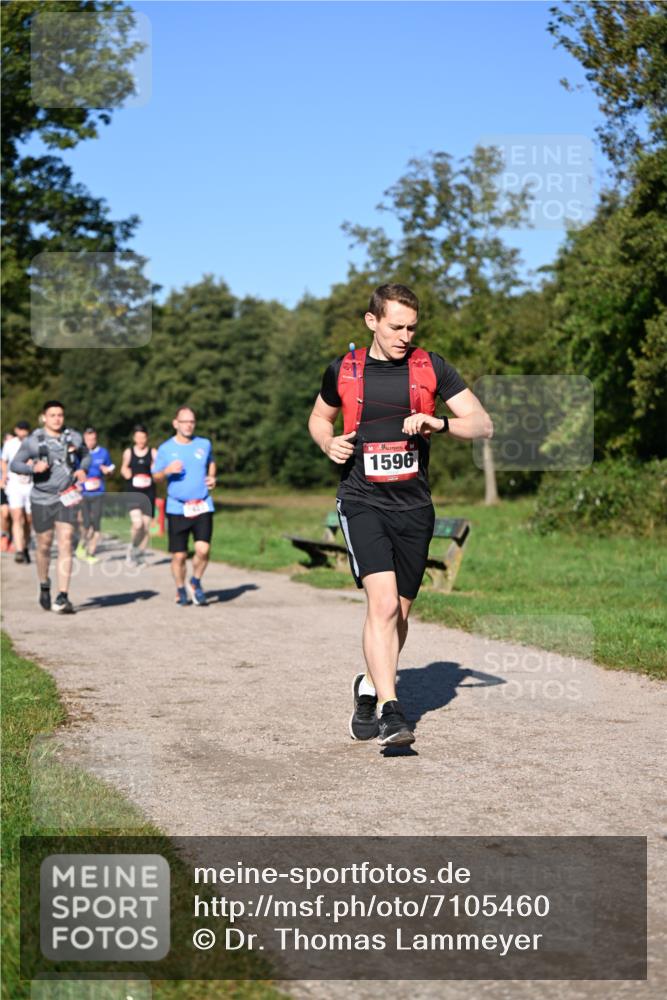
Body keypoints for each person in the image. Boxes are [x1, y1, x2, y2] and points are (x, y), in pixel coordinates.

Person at [308, 283, 493, 747]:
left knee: (400, 617)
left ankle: (369, 686)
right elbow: (318, 418)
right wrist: (326, 442)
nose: (405, 335)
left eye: (412, 327)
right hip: (361, 500)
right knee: (384, 605)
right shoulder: (344, 370)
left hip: (414, 507)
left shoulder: (431, 366)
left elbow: (482, 423)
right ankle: (393, 711)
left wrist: (440, 423)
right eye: (395, 326)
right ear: (372, 321)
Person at [10, 400, 91, 613]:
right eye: (53, 415)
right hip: (41, 497)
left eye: (60, 415)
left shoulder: (73, 437)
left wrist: (82, 469)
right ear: (44, 417)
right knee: (44, 544)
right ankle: (44, 583)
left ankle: (63, 596)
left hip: (66, 496)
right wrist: (32, 468)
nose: (57, 419)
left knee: (66, 542)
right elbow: (15, 464)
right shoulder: (33, 440)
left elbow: (86, 456)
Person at [152, 406, 216, 606]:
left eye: (192, 422)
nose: (189, 425)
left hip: (202, 504)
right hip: (177, 507)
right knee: (179, 556)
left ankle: (195, 582)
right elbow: (155, 476)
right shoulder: (165, 448)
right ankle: (181, 588)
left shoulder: (204, 444)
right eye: (184, 421)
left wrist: (212, 476)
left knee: (203, 550)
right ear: (175, 423)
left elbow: (211, 462)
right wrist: (167, 471)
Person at [75, 427, 115, 564]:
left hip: (98, 492)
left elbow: (111, 467)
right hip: (84, 494)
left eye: (93, 439)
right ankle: (81, 545)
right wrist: (77, 483)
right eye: (87, 439)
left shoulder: (103, 453)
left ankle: (90, 552)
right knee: (86, 524)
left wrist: (108, 471)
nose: (90, 442)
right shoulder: (79, 453)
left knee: (96, 524)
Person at [120, 424, 157, 564]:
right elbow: (123, 468)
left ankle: (140, 554)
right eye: (138, 437)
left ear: (147, 438)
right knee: (138, 524)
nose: (141, 440)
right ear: (134, 438)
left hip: (148, 492)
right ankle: (133, 547)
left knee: (146, 527)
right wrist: (126, 472)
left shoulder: (153, 452)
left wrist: (156, 469)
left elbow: (159, 468)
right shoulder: (129, 452)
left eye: (143, 437)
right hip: (133, 491)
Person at [1, 420, 33, 563]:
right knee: (17, 517)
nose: (23, 432)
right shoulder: (10, 444)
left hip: (30, 484)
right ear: (16, 430)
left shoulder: (34, 443)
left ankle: (25, 546)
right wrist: (4, 475)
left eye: (25, 429)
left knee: (28, 520)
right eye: (20, 429)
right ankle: (19, 550)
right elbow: (4, 460)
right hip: (14, 484)